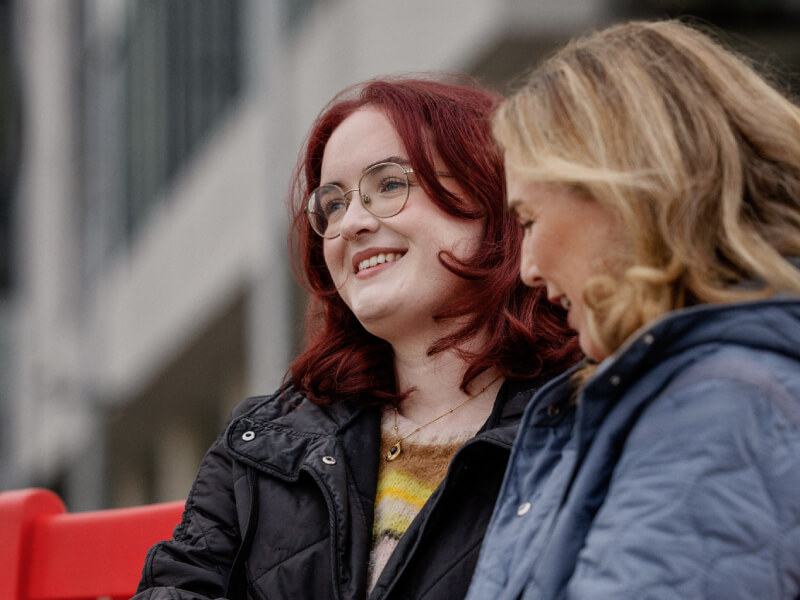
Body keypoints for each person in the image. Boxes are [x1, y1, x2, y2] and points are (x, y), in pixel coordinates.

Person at [133, 76, 580, 599]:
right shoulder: (260, 444)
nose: (351, 225)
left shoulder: (590, 416)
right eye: (333, 205)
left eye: (388, 185)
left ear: (494, 194)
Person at [465, 19, 800, 600]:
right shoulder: (685, 391)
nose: (526, 268)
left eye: (529, 220)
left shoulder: (721, 405)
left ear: (626, 194)